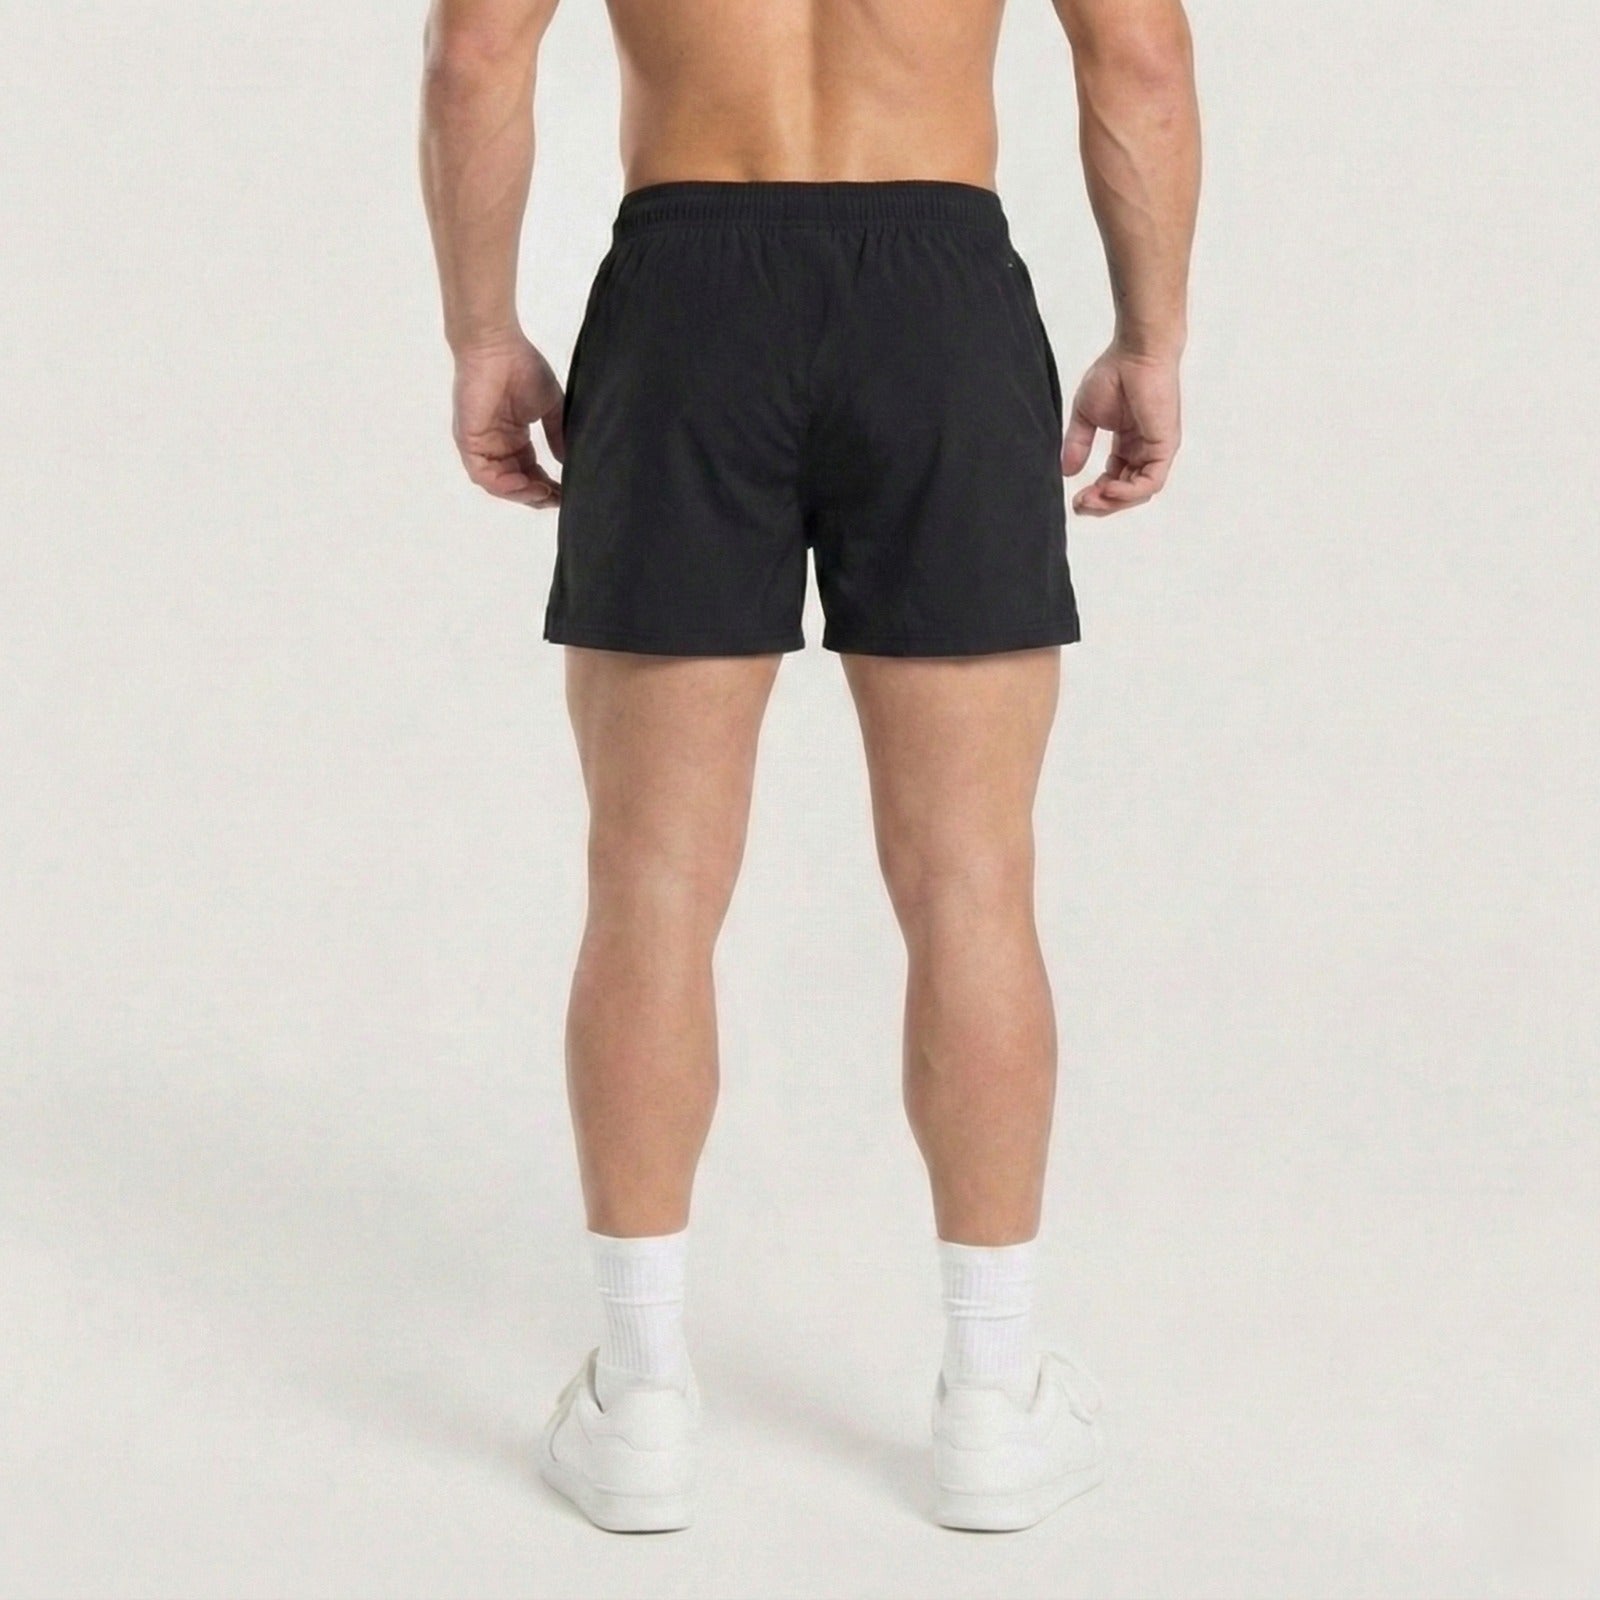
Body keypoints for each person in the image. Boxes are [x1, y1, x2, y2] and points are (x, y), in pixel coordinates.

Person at [419, 0, 1199, 1534]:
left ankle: (641, 1401)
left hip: (689, 297)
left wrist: (482, 335)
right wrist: (1152, 338)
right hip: (940, 305)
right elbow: (1142, 60)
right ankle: (993, 1402)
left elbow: (473, 56)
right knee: (973, 881)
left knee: (651, 883)